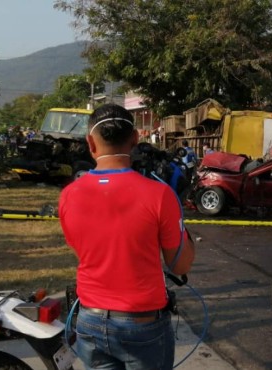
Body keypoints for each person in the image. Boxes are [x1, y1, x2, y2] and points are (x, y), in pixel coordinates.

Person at [59, 103, 195, 370]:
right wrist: (181, 226)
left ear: (90, 143)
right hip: (142, 325)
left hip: (90, 320)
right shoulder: (159, 194)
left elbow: (86, 253)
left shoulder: (69, 195)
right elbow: (180, 265)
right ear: (135, 139)